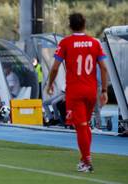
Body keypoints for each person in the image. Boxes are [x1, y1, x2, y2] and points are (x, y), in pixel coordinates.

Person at [46, 13, 108, 172]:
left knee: (80, 127)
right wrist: (104, 90)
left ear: (70, 25)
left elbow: (54, 67)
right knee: (85, 125)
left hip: (75, 91)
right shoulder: (94, 42)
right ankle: (83, 159)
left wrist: (50, 83)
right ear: (84, 24)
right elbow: (103, 67)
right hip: (90, 90)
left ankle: (87, 162)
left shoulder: (65, 43)